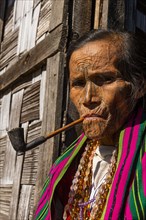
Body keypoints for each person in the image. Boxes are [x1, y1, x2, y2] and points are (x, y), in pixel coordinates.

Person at [35, 29, 146, 220]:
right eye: (78, 83)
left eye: (104, 80)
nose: (87, 98)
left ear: (139, 87)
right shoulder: (64, 168)